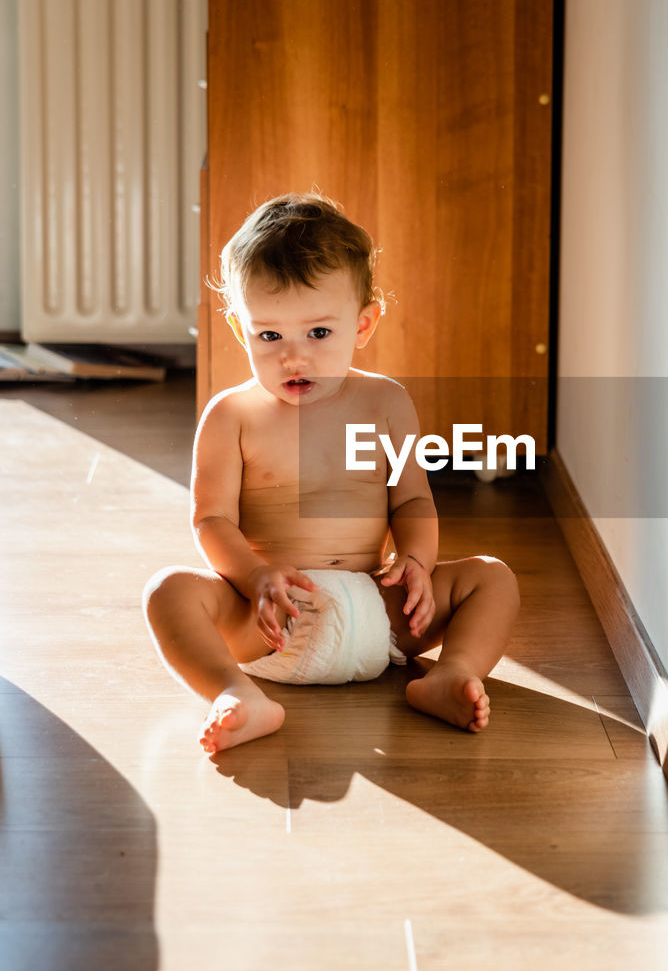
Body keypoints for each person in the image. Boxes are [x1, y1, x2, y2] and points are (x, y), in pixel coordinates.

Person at [143, 193, 520, 754]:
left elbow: (412, 500)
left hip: (382, 614)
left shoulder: (386, 403)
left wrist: (417, 563)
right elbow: (211, 519)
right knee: (168, 592)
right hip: (269, 621)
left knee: (493, 578)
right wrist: (254, 577)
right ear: (239, 328)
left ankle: (449, 674)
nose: (294, 357)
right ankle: (236, 693)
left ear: (363, 323)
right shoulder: (231, 415)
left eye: (318, 333)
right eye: (269, 336)